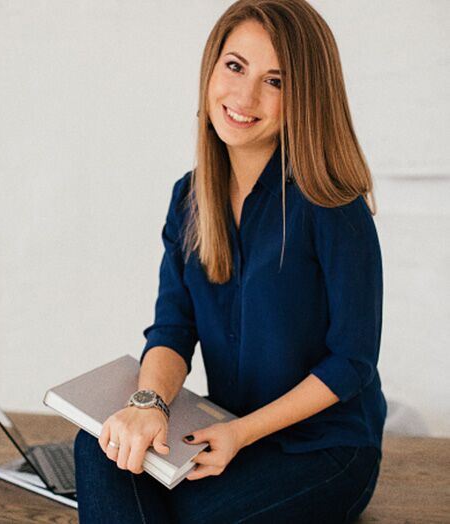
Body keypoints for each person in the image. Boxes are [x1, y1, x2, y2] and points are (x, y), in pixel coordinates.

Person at [74, 0, 387, 522]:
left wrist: (240, 433)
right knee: (101, 446)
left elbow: (352, 361)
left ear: (305, 96)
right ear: (212, 68)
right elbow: (173, 330)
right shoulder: (190, 198)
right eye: (235, 66)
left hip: (321, 450)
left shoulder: (332, 204)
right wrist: (148, 406)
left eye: (276, 81)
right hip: (224, 433)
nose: (244, 96)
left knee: (191, 515)